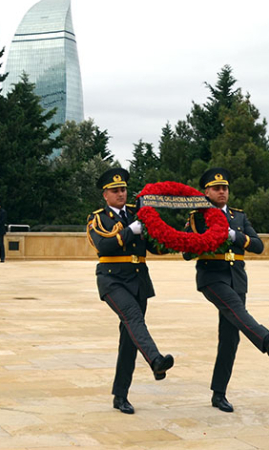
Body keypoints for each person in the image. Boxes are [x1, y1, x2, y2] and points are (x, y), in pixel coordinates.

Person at [187, 167, 269, 413]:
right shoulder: (198, 217)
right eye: (217, 188)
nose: (222, 192)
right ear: (206, 192)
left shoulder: (238, 217)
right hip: (212, 276)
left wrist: (234, 235)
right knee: (236, 310)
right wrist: (202, 238)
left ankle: (219, 394)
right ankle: (267, 341)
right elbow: (187, 252)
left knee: (230, 339)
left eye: (225, 188)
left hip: (236, 278)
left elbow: (258, 245)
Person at [87, 167, 174, 415]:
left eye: (123, 189)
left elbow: (155, 246)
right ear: (105, 195)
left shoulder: (139, 215)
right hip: (112, 280)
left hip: (139, 281)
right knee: (133, 317)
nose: (121, 194)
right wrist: (130, 231)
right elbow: (103, 244)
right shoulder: (98, 218)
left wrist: (178, 241)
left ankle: (120, 395)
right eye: (115, 191)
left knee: (129, 339)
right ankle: (156, 360)